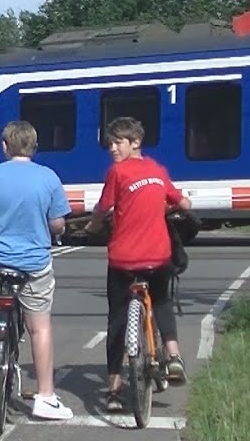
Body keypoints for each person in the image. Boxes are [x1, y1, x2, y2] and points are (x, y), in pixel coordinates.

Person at [0, 120, 74, 421]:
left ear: (5, 146)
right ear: (34, 147)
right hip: (34, 264)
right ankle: (46, 397)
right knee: (40, 327)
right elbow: (58, 224)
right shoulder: (49, 177)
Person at [85, 116, 190, 413]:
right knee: (162, 301)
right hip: (159, 257)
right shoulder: (158, 170)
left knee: (117, 321)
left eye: (118, 142)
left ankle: (114, 391)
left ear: (135, 142)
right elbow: (184, 204)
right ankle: (173, 356)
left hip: (123, 259)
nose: (112, 148)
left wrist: (93, 226)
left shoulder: (117, 172)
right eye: (110, 143)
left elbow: (104, 208)